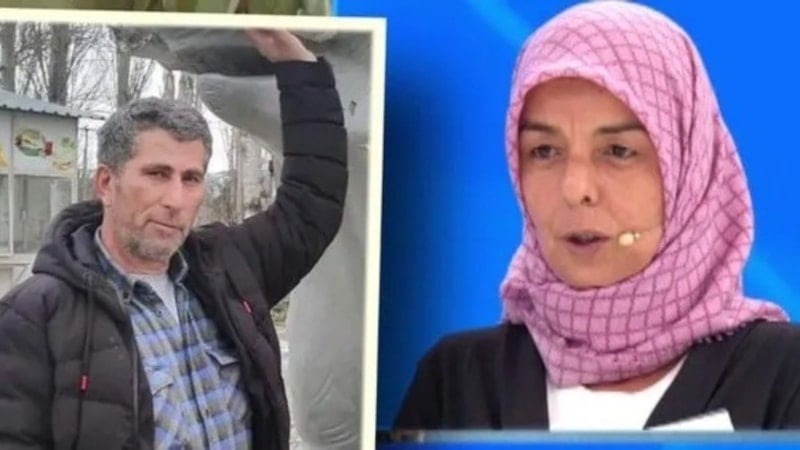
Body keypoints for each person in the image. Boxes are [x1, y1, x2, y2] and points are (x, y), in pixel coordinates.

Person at [393, 0, 800, 431]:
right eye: (544, 151)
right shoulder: (459, 382)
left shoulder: (783, 377)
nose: (575, 189)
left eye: (618, 151)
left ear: (690, 166)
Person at [0, 29, 347, 449]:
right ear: (106, 183)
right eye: (157, 174)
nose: (175, 201)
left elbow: (311, 204)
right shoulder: (34, 315)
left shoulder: (230, 269)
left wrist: (298, 67)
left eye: (191, 179)